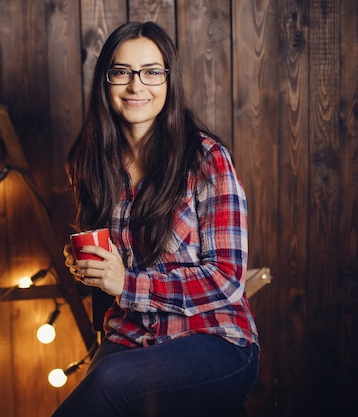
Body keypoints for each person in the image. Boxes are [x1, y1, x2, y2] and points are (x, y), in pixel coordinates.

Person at [52, 21, 259, 417]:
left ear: (169, 80)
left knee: (107, 385)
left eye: (151, 72)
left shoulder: (206, 159)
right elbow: (106, 261)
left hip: (214, 338)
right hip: (130, 335)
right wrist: (89, 268)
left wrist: (126, 283)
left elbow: (226, 279)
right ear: (105, 81)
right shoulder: (91, 162)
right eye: (122, 72)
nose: (136, 86)